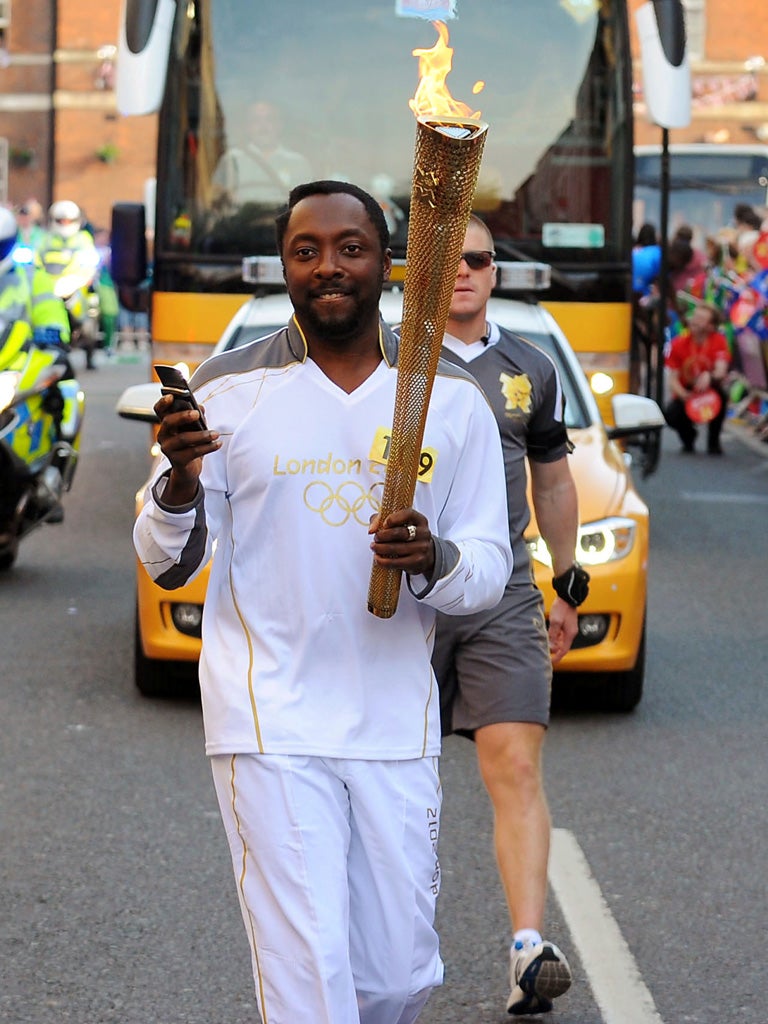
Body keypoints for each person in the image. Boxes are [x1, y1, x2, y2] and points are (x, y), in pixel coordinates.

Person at [132, 180, 513, 1024]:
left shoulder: (450, 398)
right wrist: (182, 480)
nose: (328, 267)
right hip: (270, 716)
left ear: (387, 263)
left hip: (393, 721)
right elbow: (166, 563)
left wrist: (433, 557)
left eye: (350, 248)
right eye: (306, 251)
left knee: (398, 978)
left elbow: (489, 567)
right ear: (285, 265)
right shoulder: (225, 391)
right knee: (311, 980)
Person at [429, 215, 586, 1016]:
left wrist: (567, 580)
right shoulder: (384, 360)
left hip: (501, 597)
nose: (462, 270)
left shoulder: (531, 367)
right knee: (390, 777)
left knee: (517, 767)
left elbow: (552, 480)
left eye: (478, 258)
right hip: (404, 601)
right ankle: (376, 942)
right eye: (445, 257)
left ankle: (528, 949)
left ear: (495, 273)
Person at [212, 100, 314, 208]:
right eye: (256, 120)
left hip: (283, 223)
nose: (263, 126)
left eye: (269, 120)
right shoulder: (231, 160)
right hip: (240, 222)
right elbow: (215, 198)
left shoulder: (297, 163)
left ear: (279, 125)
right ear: (248, 127)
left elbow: (307, 205)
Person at [664, 302, 731, 455]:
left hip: (710, 388)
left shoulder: (718, 341)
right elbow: (672, 379)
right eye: (695, 317)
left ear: (711, 326)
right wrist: (683, 395)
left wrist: (710, 375)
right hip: (687, 388)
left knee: (722, 395)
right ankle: (688, 437)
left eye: (701, 319)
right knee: (671, 414)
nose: (694, 321)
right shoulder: (678, 343)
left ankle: (714, 442)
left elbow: (721, 369)